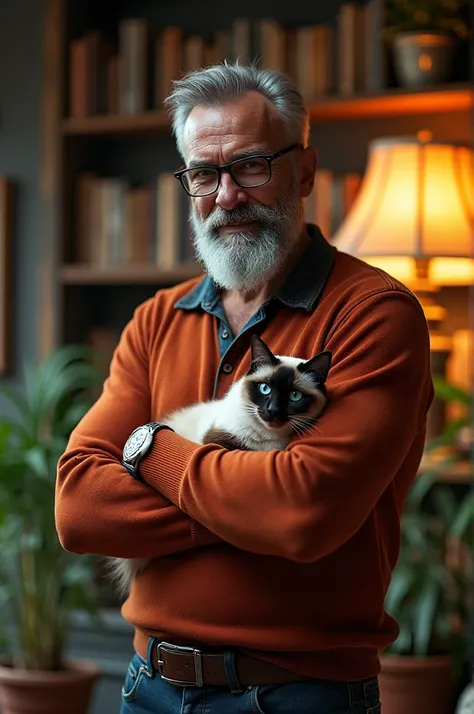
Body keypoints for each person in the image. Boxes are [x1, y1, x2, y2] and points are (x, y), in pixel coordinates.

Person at [55, 62, 433, 714]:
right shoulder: (155, 319)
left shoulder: (375, 313)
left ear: (306, 171)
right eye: (204, 174)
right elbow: (80, 508)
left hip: (300, 696)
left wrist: (150, 452)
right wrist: (246, 500)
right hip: (146, 687)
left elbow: (301, 514)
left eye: (252, 165)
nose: (226, 195)